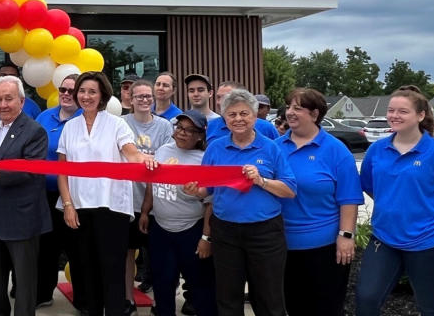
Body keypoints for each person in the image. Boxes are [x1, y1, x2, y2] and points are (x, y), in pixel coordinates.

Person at [183, 88, 296, 316]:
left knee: (269, 298)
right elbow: (207, 188)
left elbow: (290, 190)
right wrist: (193, 190)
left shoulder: (271, 147)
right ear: (225, 119)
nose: (238, 119)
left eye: (244, 113)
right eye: (232, 115)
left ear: (254, 116)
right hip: (225, 232)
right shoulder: (215, 148)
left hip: (265, 233)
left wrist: (261, 180)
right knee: (228, 297)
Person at [57, 71, 157, 316]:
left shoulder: (116, 123)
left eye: (92, 91)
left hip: (112, 209)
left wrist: (148, 160)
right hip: (79, 208)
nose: (86, 96)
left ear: (102, 95)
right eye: (82, 91)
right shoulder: (70, 127)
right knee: (85, 268)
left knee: (111, 269)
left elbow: (132, 154)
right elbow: (62, 170)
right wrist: (68, 204)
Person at [356, 86, 434, 316]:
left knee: (430, 308)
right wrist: (394, 206)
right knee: (366, 299)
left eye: (402, 111)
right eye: (391, 110)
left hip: (432, 242)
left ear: (420, 115)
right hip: (385, 239)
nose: (394, 115)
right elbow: (372, 188)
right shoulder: (377, 150)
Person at [0, 75, 51, 316]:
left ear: (22, 101)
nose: (2, 104)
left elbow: (31, 168)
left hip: (22, 216)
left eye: (8, 99)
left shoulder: (35, 131)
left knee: (24, 283)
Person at [275, 88, 362, 316]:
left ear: (315, 114)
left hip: (324, 247)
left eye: (298, 108)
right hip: (281, 245)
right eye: (288, 107)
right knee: (293, 306)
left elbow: (349, 199)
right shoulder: (275, 148)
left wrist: (346, 236)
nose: (290, 113)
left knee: (325, 307)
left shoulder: (336, 150)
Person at [139, 110, 217, 316]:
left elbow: (211, 203)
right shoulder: (163, 151)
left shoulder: (204, 159)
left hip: (192, 230)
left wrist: (206, 237)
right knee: (162, 283)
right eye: (180, 128)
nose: (182, 133)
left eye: (190, 130)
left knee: (201, 287)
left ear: (200, 135)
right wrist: (146, 211)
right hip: (161, 230)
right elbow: (151, 185)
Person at [122, 79, 174, 309]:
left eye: (148, 96)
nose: (144, 100)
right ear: (130, 99)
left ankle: (160, 303)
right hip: (127, 200)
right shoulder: (120, 123)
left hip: (157, 202)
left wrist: (147, 207)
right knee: (127, 253)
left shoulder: (164, 127)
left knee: (159, 256)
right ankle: (127, 298)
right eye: (139, 96)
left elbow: (162, 166)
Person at [34, 73, 83, 310]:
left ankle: (84, 298)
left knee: (78, 248)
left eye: (72, 91)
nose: (65, 94)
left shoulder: (88, 119)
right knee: (46, 246)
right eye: (63, 89)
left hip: (78, 197)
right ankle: (43, 293)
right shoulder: (44, 116)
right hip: (45, 195)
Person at [206, 81, 278, 143]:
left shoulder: (266, 128)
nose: (220, 102)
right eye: (218, 97)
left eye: (227, 97)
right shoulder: (209, 127)